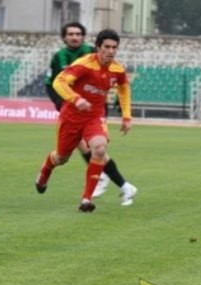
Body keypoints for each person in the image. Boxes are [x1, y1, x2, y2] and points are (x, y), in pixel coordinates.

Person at [35, 29, 137, 212]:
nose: (111, 51)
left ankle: (86, 199)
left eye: (114, 47)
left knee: (99, 149)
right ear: (98, 47)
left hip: (94, 116)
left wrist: (127, 116)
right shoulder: (85, 64)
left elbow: (124, 88)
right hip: (71, 117)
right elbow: (59, 82)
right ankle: (45, 170)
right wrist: (76, 99)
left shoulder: (117, 69)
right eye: (107, 47)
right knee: (61, 157)